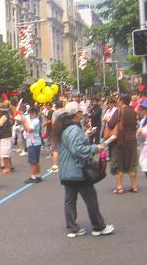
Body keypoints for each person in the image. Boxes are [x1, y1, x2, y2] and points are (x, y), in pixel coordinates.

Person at [52, 101, 114, 238]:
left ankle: (72, 228)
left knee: (70, 199)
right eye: (81, 112)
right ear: (76, 114)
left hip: (66, 170)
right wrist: (95, 148)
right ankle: (98, 226)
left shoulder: (64, 127)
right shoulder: (73, 129)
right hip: (78, 170)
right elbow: (77, 149)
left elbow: (72, 145)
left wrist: (85, 136)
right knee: (90, 198)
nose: (82, 114)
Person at [108, 94, 139, 194]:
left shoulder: (119, 111)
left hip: (120, 141)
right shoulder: (133, 111)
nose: (117, 102)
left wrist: (108, 120)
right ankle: (134, 186)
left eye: (118, 100)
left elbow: (111, 124)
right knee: (132, 163)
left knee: (118, 164)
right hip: (132, 140)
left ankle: (119, 187)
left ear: (121, 101)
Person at [22, 107, 42, 183]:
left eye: (30, 113)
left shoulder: (35, 121)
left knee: (32, 161)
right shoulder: (33, 120)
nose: (29, 115)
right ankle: (38, 175)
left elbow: (30, 130)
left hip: (34, 143)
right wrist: (24, 122)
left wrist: (24, 122)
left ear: (33, 113)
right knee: (36, 161)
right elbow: (26, 128)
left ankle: (33, 177)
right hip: (34, 142)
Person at [0, 103, 13, 175]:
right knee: (7, 152)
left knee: (4, 153)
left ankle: (7, 168)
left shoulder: (4, 117)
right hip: (7, 136)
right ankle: (10, 166)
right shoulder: (6, 116)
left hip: (5, 136)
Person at [137, 99, 147, 177]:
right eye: (143, 109)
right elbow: (139, 140)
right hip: (145, 150)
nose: (144, 111)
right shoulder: (143, 121)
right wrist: (139, 133)